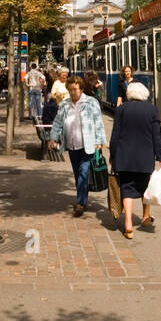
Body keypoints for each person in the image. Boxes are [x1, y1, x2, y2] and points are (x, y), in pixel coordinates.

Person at [109, 81, 161, 239]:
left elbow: (115, 136)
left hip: (124, 156)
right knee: (145, 187)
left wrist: (112, 157)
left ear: (129, 94)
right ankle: (145, 217)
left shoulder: (121, 109)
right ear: (144, 94)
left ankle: (127, 224)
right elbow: (156, 137)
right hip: (145, 157)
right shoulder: (152, 110)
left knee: (126, 189)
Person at [49, 76, 106, 217]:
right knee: (78, 174)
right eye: (70, 90)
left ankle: (80, 202)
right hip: (72, 145)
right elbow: (57, 121)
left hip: (87, 144)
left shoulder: (90, 102)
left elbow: (98, 122)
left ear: (81, 88)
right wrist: (52, 137)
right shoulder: (65, 104)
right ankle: (83, 197)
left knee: (84, 171)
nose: (73, 92)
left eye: (75, 89)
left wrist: (100, 141)